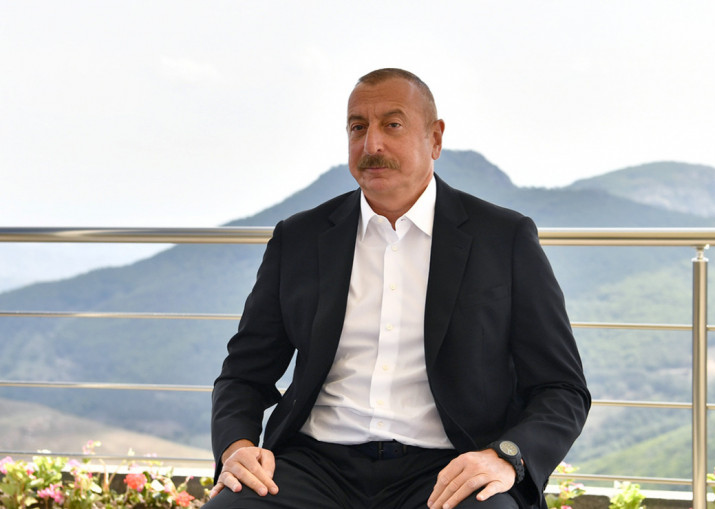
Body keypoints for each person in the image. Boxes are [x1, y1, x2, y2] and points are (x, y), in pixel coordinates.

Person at [205, 68, 590, 509]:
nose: (372, 145)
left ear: (435, 139)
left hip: (449, 466)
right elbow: (244, 374)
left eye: (392, 125)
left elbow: (562, 388)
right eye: (358, 127)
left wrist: (506, 457)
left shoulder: (503, 239)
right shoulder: (298, 238)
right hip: (313, 464)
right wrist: (236, 447)